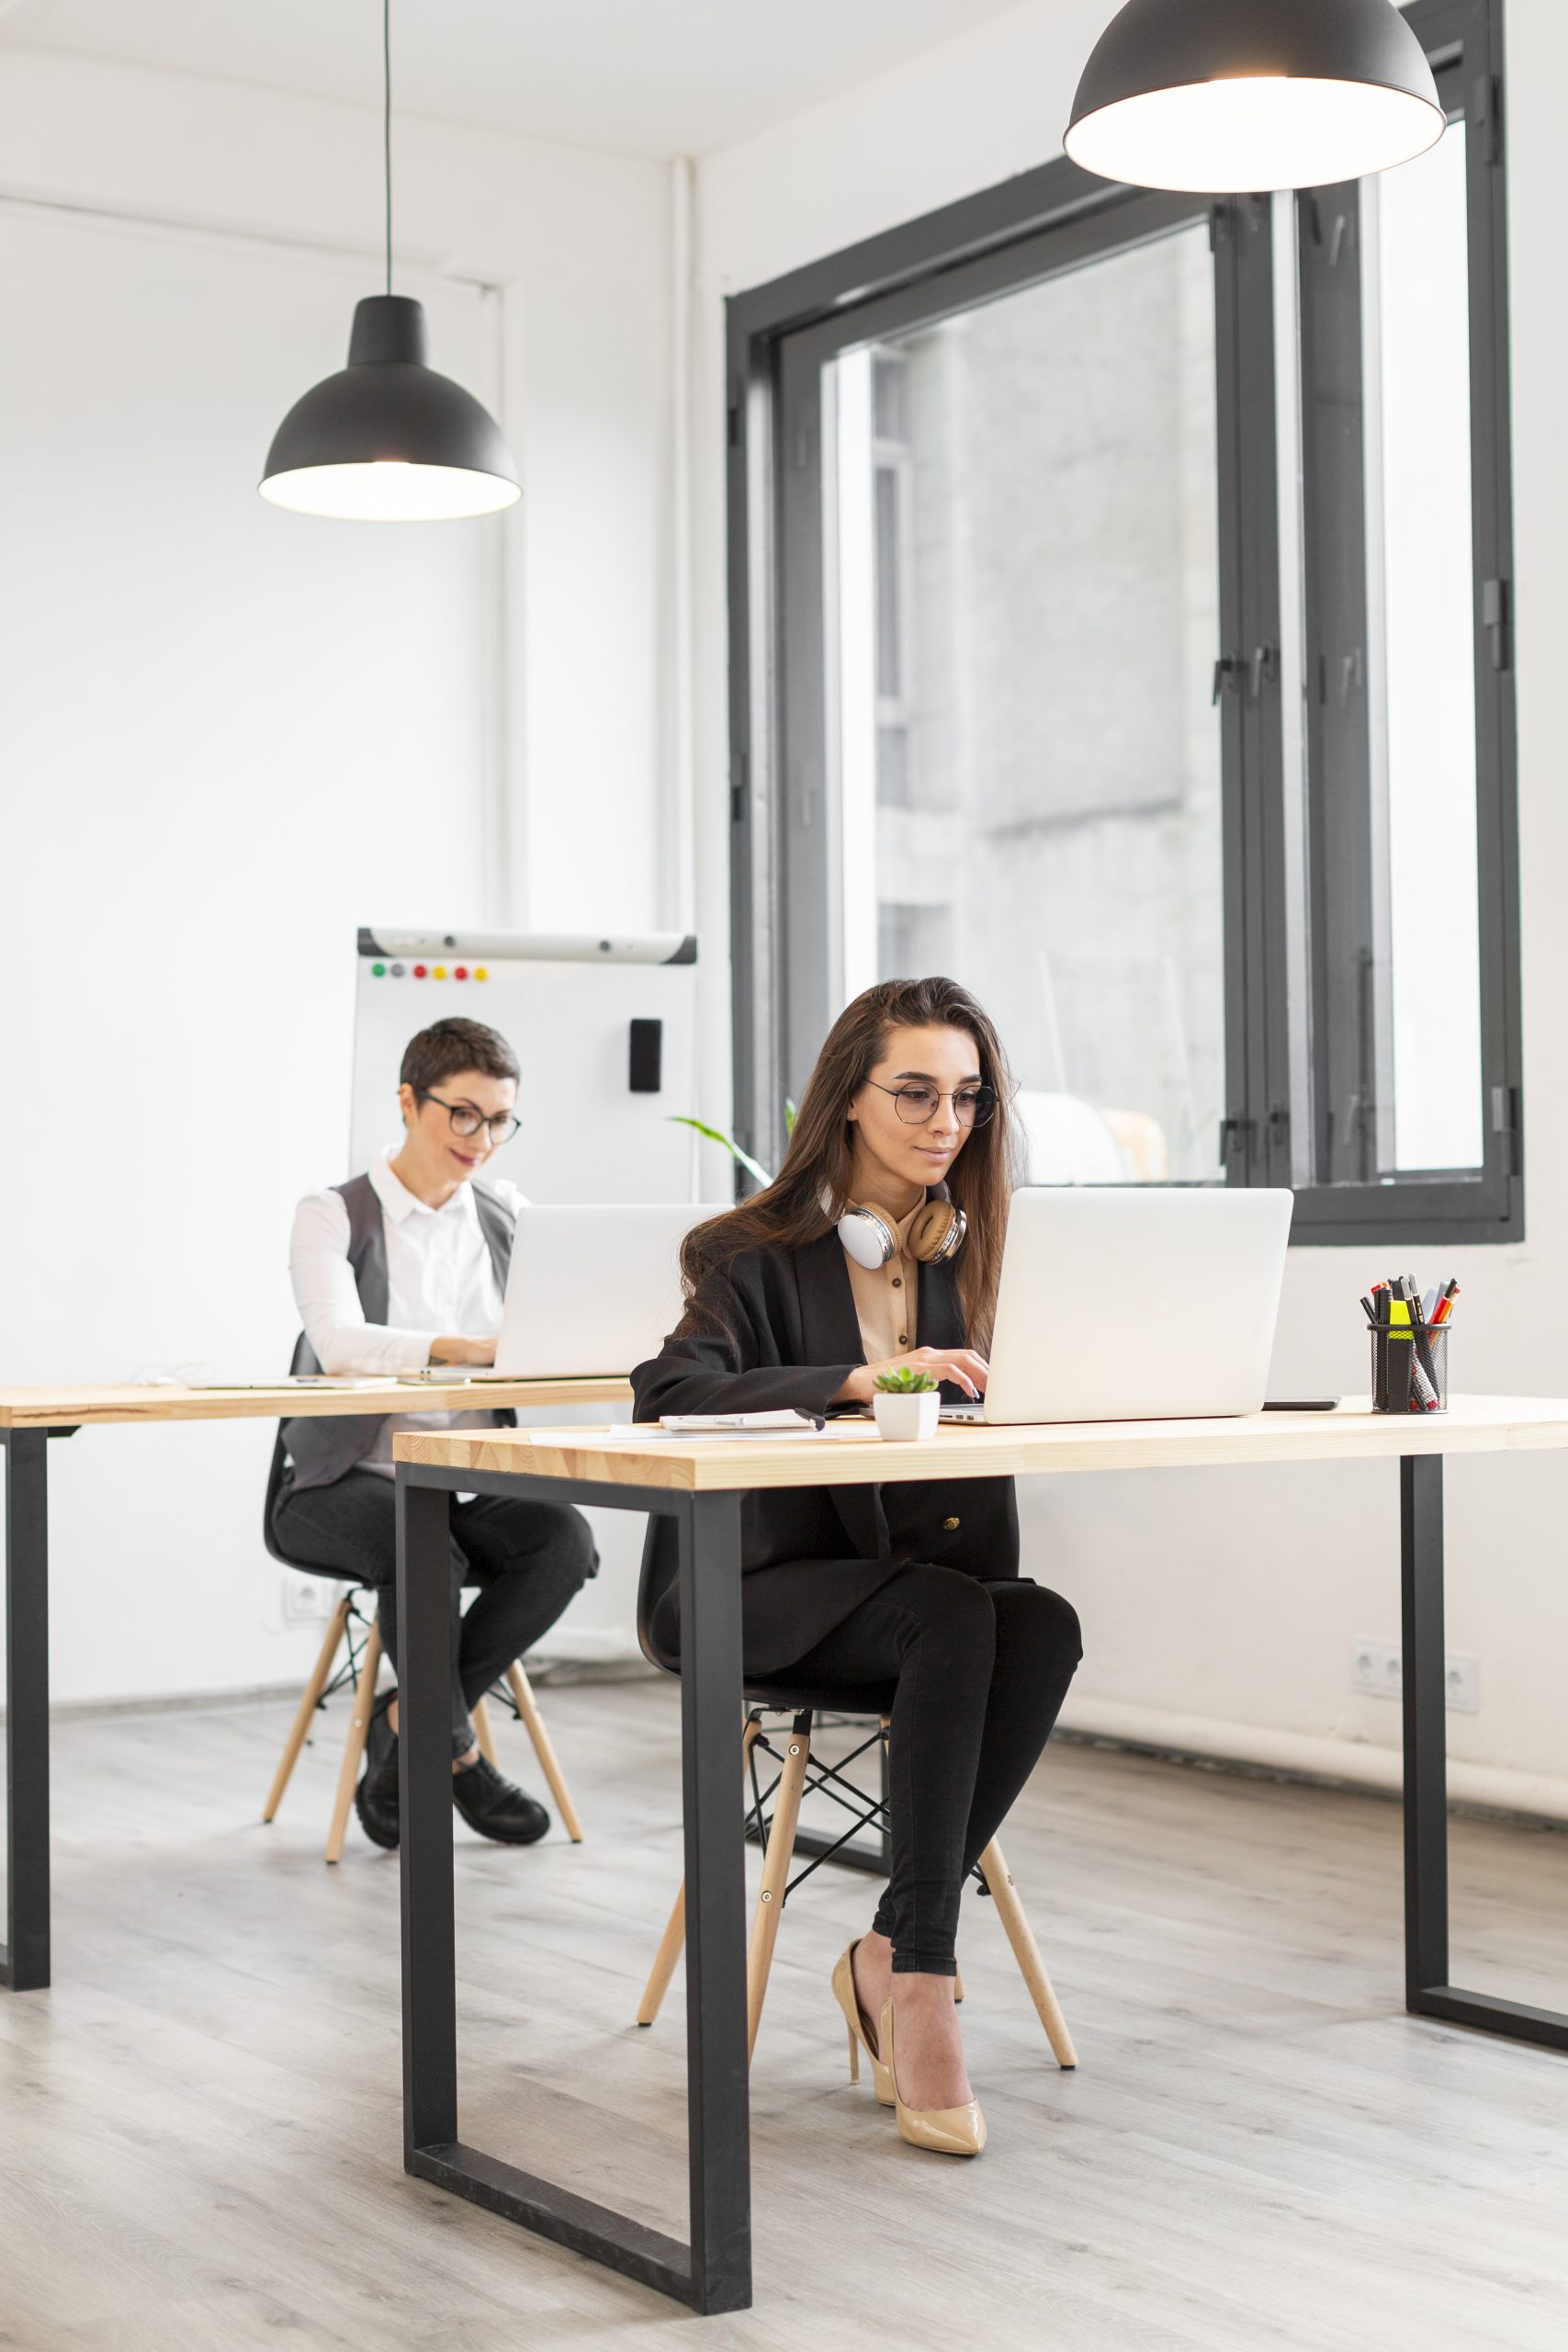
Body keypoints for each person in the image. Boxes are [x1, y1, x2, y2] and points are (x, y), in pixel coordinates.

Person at [633, 976, 1081, 2157]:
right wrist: (862, 1379)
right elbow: (667, 1391)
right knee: (951, 1616)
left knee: (1038, 1623)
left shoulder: (973, 1256)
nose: (946, 1123)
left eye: (969, 1099)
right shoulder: (749, 1253)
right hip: (761, 1586)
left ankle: (889, 1949)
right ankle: (924, 1985)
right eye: (917, 1094)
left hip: (915, 1584)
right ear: (848, 1101)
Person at [274, 1015, 596, 1850]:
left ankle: (403, 1721)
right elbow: (339, 1344)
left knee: (563, 1538)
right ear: (409, 1102)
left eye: (498, 1121)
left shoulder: (507, 1213)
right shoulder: (332, 1213)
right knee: (423, 1544)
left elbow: (556, 1327)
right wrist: (462, 1348)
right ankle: (456, 1758)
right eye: (464, 1115)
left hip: (461, 1478)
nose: (482, 1139)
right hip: (341, 1484)